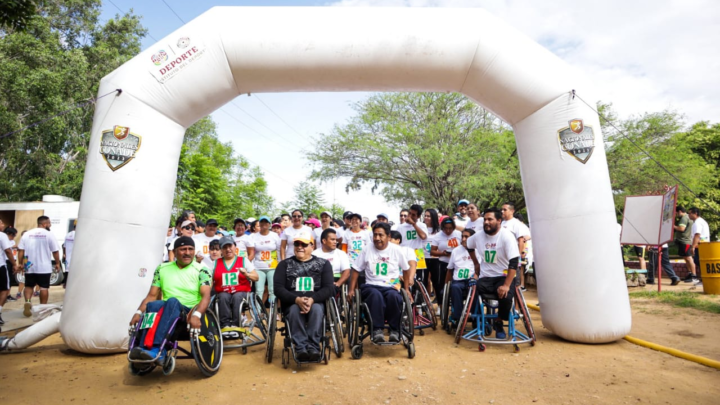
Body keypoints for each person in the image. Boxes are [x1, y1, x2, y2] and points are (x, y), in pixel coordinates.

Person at [128, 237, 212, 363]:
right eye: (183, 249)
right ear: (175, 251)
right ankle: (144, 347)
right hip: (166, 309)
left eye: (190, 249)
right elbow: (151, 295)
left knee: (172, 301)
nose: (187, 252)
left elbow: (206, 295)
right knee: (154, 304)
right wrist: (138, 312)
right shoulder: (162, 269)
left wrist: (197, 314)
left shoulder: (202, 270)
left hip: (188, 311)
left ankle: (158, 349)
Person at [274, 232, 334, 361]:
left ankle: (313, 347)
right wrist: (296, 299)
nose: (300, 247)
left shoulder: (323, 264)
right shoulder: (284, 264)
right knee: (295, 310)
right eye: (297, 244)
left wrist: (312, 299)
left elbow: (329, 288)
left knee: (317, 310)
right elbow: (278, 288)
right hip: (292, 302)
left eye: (304, 244)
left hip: (315, 300)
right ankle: (301, 347)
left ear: (312, 246)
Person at [349, 223, 413, 344]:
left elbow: (406, 269)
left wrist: (407, 289)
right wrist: (351, 289)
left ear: (388, 236)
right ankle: (377, 329)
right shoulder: (367, 249)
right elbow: (356, 269)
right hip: (371, 285)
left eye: (380, 235)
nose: (377, 238)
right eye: (375, 235)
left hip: (391, 286)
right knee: (375, 296)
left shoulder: (396, 250)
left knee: (394, 297)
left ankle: (395, 330)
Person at [467, 208, 520, 340]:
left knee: (506, 296)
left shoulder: (507, 236)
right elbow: (468, 245)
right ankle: (477, 321)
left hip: (503, 276)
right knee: (472, 290)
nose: (486, 222)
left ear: (499, 221)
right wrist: (476, 263)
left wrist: (507, 285)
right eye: (485, 219)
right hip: (486, 277)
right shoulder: (478, 235)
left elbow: (514, 261)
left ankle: (499, 321)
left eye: (490, 219)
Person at [212, 236, 258, 339]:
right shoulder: (215, 263)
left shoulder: (243, 260)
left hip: (241, 291)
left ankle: (236, 325)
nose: (228, 249)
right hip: (223, 292)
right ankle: (225, 325)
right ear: (221, 250)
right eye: (225, 247)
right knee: (223, 297)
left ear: (235, 247)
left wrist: (246, 274)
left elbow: (256, 277)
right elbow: (210, 281)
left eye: (230, 246)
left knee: (237, 297)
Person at [17, 216, 61, 317]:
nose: (50, 225)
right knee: (43, 288)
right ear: (44, 224)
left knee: (28, 286)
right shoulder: (49, 234)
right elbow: (55, 251)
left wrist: (21, 264)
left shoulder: (27, 234)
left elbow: (21, 251)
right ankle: (42, 308)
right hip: (44, 267)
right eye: (49, 223)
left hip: (30, 266)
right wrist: (57, 263)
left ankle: (28, 301)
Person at [445, 229, 477, 326]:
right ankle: (457, 317)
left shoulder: (478, 250)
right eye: (462, 236)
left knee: (476, 288)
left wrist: (475, 277)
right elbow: (450, 269)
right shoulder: (456, 251)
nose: (463, 239)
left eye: (466, 237)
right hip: (458, 280)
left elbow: (482, 267)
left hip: (473, 278)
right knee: (455, 287)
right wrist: (446, 285)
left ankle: (476, 317)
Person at [396, 205, 428, 296]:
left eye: (413, 215)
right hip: (404, 254)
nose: (410, 216)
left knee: (418, 281)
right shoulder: (400, 227)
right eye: (409, 213)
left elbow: (423, 237)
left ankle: (418, 303)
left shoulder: (422, 225)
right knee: (404, 278)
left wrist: (414, 224)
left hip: (418, 254)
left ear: (418, 216)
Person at [431, 217, 462, 307]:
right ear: (442, 228)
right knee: (441, 284)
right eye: (445, 228)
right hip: (443, 263)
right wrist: (442, 253)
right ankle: (441, 305)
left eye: (450, 228)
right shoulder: (438, 236)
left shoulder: (459, 234)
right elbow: (432, 251)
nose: (448, 231)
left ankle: (455, 304)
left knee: (456, 284)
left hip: (457, 263)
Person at [252, 216, 281, 306]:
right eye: (262, 222)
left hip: (272, 266)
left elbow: (279, 250)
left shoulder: (274, 235)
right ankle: (257, 312)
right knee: (259, 290)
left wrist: (280, 264)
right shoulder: (254, 236)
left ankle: (273, 312)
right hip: (258, 267)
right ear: (259, 224)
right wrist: (252, 267)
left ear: (269, 224)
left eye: (266, 222)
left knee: (272, 290)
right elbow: (252, 252)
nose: (264, 224)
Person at [0, 221, 18, 324]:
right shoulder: (2, 236)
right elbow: (7, 251)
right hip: (0, 266)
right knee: (5, 290)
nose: (3, 225)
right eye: (1, 223)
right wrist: (14, 264)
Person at [674, 207, 698, 283]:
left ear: (680, 211)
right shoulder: (688, 217)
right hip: (684, 241)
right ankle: (690, 273)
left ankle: (694, 275)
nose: (677, 215)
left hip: (685, 241)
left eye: (677, 213)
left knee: (688, 258)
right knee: (686, 258)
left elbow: (681, 228)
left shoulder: (684, 218)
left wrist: (673, 226)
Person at [688, 207, 710, 284]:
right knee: (700, 262)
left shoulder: (698, 222)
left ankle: (703, 279)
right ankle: (703, 279)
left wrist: (693, 246)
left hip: (700, 245)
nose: (688, 215)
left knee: (700, 262)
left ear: (695, 214)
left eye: (690, 213)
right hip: (703, 245)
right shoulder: (699, 221)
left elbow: (697, 235)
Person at [422, 209, 441, 299]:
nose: (426, 218)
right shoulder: (421, 227)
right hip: (423, 258)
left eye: (428, 216)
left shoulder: (439, 230)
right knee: (424, 281)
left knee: (436, 282)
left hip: (435, 258)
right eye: (425, 215)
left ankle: (439, 303)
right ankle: (426, 302)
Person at [62, 220, 77, 289]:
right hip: (75, 259)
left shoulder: (68, 234)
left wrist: (64, 254)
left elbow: (64, 246)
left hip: (68, 258)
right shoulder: (78, 235)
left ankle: (65, 284)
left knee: (67, 272)